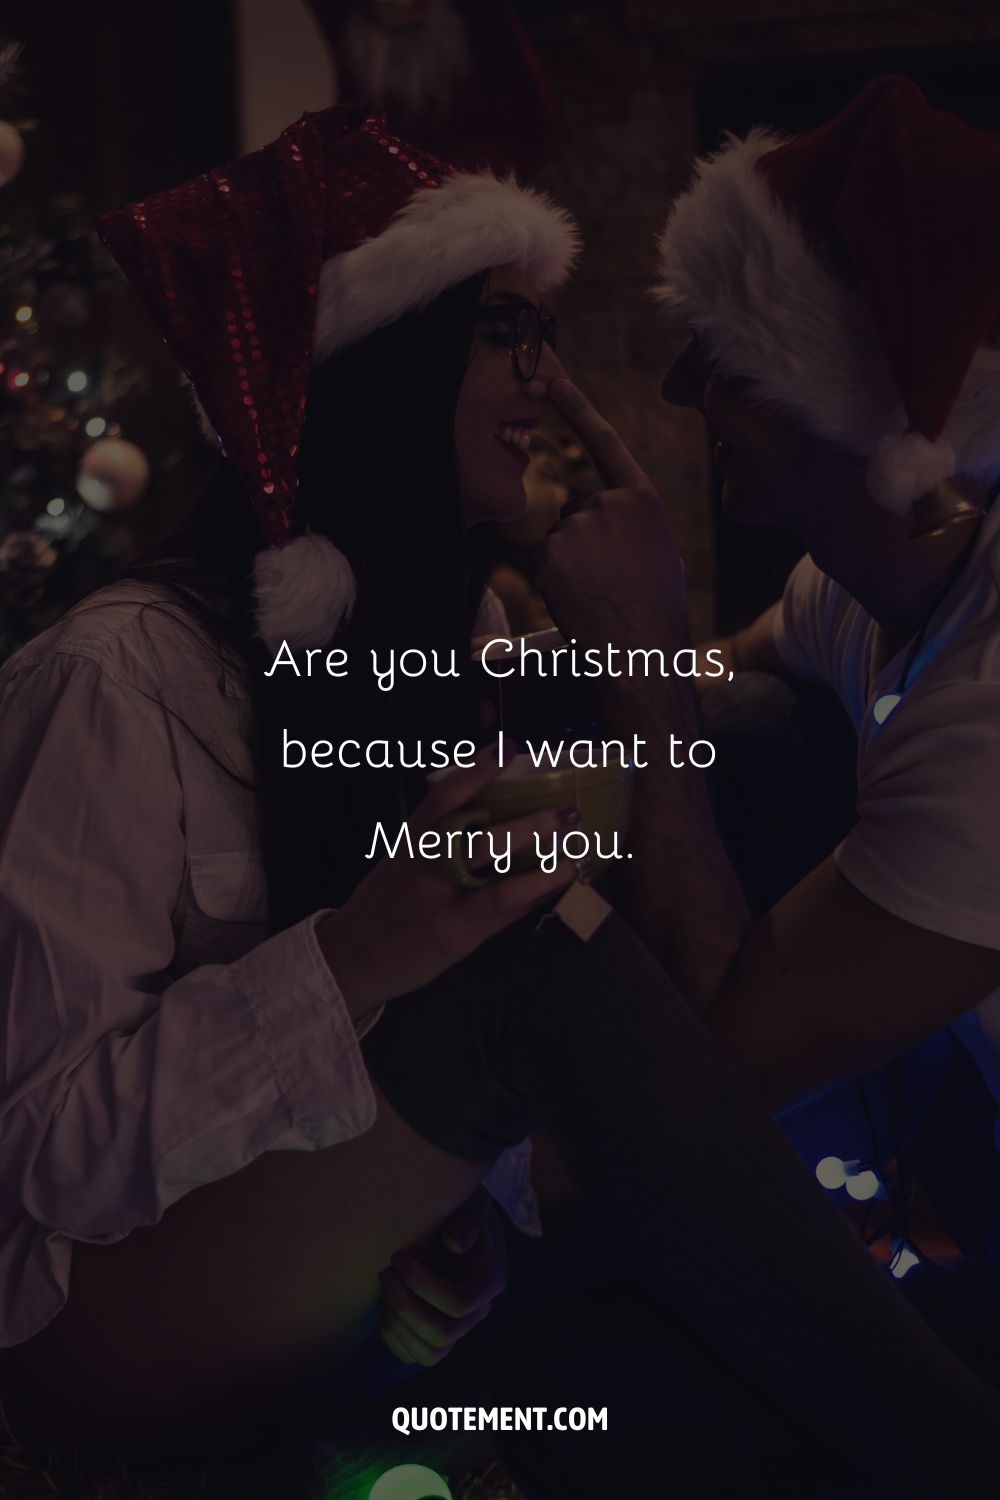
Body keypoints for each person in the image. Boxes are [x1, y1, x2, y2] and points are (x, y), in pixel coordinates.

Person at [0, 99, 997, 1500]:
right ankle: (958, 1457)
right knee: (528, 959)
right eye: (510, 334)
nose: (551, 380)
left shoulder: (429, 659)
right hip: (83, 1332)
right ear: (384, 364)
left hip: (302, 1310)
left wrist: (446, 1210)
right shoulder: (116, 681)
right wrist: (353, 962)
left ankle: (429, 1445)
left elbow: (421, 1096)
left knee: (624, 1403)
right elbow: (34, 1168)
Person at [499, 74, 1000, 1496]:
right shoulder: (869, 591)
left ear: (847, 398)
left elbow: (718, 1068)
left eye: (726, 357)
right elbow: (724, 677)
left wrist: (645, 677)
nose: (680, 394)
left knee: (628, 1389)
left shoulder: (991, 712)